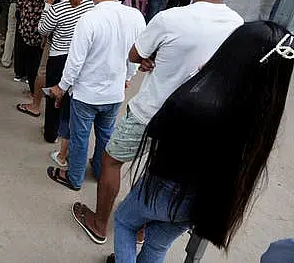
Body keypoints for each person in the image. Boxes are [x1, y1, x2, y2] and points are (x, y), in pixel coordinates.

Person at [76, 0, 257, 247]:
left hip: (150, 112)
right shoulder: (238, 26)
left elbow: (135, 54)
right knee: (160, 172)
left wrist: (152, 56)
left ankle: (100, 222)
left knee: (111, 161)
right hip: (193, 125)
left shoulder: (171, 18)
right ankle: (142, 225)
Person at [110, 21, 294, 263]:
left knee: (124, 222)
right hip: (206, 200)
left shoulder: (196, 101)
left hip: (166, 186)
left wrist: (198, 78)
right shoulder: (262, 115)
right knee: (156, 242)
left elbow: (156, 129)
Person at [47, 0, 145, 191]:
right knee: (105, 135)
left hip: (86, 93)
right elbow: (138, 54)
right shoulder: (135, 16)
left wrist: (61, 87)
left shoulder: (89, 18)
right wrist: (128, 77)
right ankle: (101, 172)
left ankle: (74, 177)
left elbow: (75, 61)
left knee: (80, 138)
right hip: (114, 92)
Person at [38, 0, 94, 149]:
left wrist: (47, 4)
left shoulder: (56, 8)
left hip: (59, 57)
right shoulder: (87, 1)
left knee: (55, 95)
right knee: (71, 95)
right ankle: (66, 130)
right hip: (81, 55)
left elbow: (43, 29)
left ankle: (50, 133)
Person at [14, 0, 50, 106]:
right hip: (43, 32)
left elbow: (19, 6)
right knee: (40, 64)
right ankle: (38, 91)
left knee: (30, 63)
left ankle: (33, 91)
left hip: (26, 30)